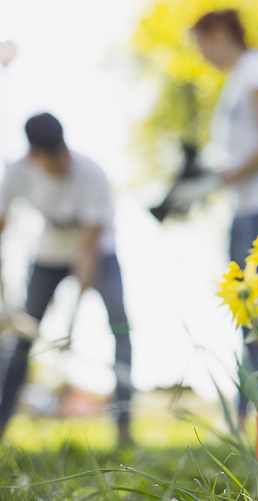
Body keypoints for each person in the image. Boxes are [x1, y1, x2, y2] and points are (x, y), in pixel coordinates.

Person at [190, 9, 258, 427]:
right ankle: (250, 416)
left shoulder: (256, 68)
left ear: (217, 33)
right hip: (246, 209)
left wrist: (224, 178)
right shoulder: (238, 79)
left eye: (202, 44)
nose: (203, 56)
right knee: (247, 315)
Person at [0, 113, 134, 446]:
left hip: (98, 255)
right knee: (21, 340)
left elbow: (87, 250)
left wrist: (74, 312)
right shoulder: (17, 174)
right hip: (47, 258)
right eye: (52, 156)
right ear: (34, 155)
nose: (62, 162)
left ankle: (124, 427)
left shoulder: (90, 175)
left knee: (120, 326)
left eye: (62, 151)